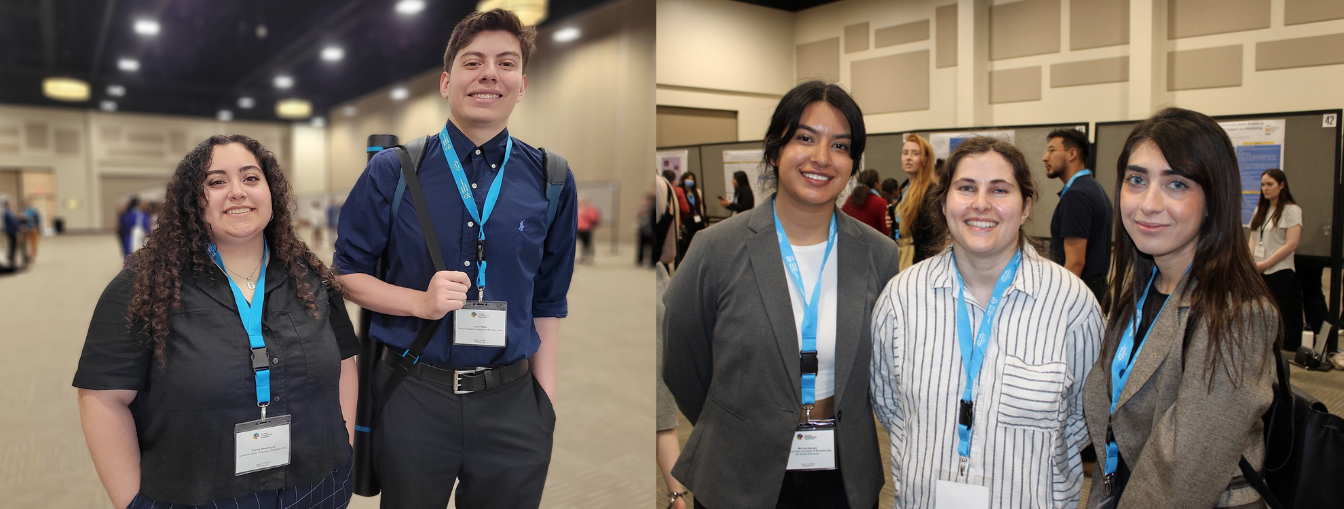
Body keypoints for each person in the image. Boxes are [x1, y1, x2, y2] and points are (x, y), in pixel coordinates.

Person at [333, 9, 576, 508]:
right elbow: (346, 275)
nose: (490, 73)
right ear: (447, 82)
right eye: (473, 62)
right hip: (414, 395)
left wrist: (543, 405)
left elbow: (549, 299)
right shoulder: (394, 171)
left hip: (512, 400)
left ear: (522, 84)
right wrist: (419, 303)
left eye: (506, 63)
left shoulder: (550, 178)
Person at [73, 135, 359, 509]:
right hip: (200, 495)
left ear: (271, 192)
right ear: (193, 201)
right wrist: (133, 503)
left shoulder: (310, 279)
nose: (237, 192)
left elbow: (343, 365)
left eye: (251, 178)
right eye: (217, 181)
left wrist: (343, 449)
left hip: (316, 487)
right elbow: (103, 399)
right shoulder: (145, 285)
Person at [663, 80, 898, 509]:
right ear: (774, 150)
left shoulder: (878, 255)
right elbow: (681, 361)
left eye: (841, 146)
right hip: (739, 472)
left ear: (852, 163)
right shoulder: (715, 248)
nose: (822, 158)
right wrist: (735, 424)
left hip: (843, 476)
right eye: (805, 138)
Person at [870, 136, 1101, 508]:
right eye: (966, 188)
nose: (981, 204)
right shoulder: (901, 300)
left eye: (999, 190)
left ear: (1025, 207)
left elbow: (1083, 418)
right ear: (944, 203)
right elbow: (889, 404)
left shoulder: (1072, 305)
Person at [1082, 107, 1277, 508]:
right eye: (1136, 180)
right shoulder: (1138, 291)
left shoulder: (1237, 312)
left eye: (1176, 184)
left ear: (1213, 200)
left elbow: (1186, 468)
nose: (1148, 204)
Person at [1043, 128, 1112, 303]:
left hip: (1081, 294)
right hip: (1094, 290)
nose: (1045, 157)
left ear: (1072, 153)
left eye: (1052, 150)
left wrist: (1058, 303)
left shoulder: (1077, 195)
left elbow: (1075, 262)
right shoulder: (1092, 187)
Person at [654, 173, 688, 509]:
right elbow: (669, 251)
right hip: (654, 289)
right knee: (660, 413)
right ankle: (677, 497)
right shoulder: (663, 186)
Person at [1249, 168, 1304, 350]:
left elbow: (1291, 244)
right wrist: (1251, 262)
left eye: (1270, 184)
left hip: (1278, 269)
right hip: (1258, 268)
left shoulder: (1291, 210)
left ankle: (1278, 350)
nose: (1265, 188)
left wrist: (1266, 264)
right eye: (1263, 184)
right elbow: (1253, 237)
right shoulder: (1260, 209)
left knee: (1277, 312)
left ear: (1281, 185)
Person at [894, 133, 939, 269]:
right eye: (905, 153)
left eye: (915, 153)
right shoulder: (904, 189)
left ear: (925, 159)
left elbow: (932, 237)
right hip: (899, 255)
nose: (908, 157)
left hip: (916, 260)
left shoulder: (930, 192)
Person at [841, 168, 889, 236]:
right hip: (874, 243)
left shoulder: (851, 199)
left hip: (851, 242)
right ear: (876, 184)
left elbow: (840, 219)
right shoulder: (880, 202)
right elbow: (886, 231)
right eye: (880, 182)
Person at [676, 170, 707, 260]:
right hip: (687, 221)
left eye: (691, 179)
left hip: (698, 220)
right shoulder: (681, 193)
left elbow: (702, 205)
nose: (690, 181)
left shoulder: (697, 192)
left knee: (700, 242)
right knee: (687, 244)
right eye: (688, 179)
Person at [119, 195, 152, 260]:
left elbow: (123, 227)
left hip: (128, 237)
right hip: (137, 237)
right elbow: (146, 226)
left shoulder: (127, 215)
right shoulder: (140, 214)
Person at [576, 196, 601, 264]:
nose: (581, 203)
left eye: (582, 201)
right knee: (581, 243)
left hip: (587, 229)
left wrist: (585, 213)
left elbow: (593, 218)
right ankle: (583, 257)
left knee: (587, 243)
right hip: (579, 229)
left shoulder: (590, 209)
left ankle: (589, 257)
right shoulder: (577, 209)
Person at [2, 200, 21, 269]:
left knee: (13, 246)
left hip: (12, 231)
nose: (12, 206)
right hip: (11, 231)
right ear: (7, 205)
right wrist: (19, 227)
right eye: (11, 205)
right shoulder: (7, 212)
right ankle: (11, 260)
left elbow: (14, 220)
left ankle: (11, 259)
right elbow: (13, 222)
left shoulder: (8, 212)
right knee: (12, 246)